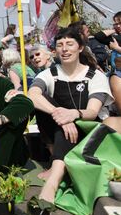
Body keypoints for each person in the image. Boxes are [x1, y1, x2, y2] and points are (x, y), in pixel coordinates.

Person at [28, 27, 114, 203]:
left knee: (69, 123)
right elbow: (33, 94)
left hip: (87, 133)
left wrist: (73, 114)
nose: (64, 49)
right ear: (55, 50)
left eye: (69, 44)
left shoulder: (95, 75)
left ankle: (54, 177)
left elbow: (92, 112)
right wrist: (61, 117)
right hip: (61, 130)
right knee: (42, 101)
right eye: (60, 45)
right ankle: (57, 165)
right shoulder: (49, 73)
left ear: (80, 47)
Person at [94, 10, 121, 116]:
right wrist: (113, 29)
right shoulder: (116, 38)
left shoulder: (116, 43)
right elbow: (99, 36)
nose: (119, 26)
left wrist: (117, 48)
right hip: (119, 73)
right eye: (116, 23)